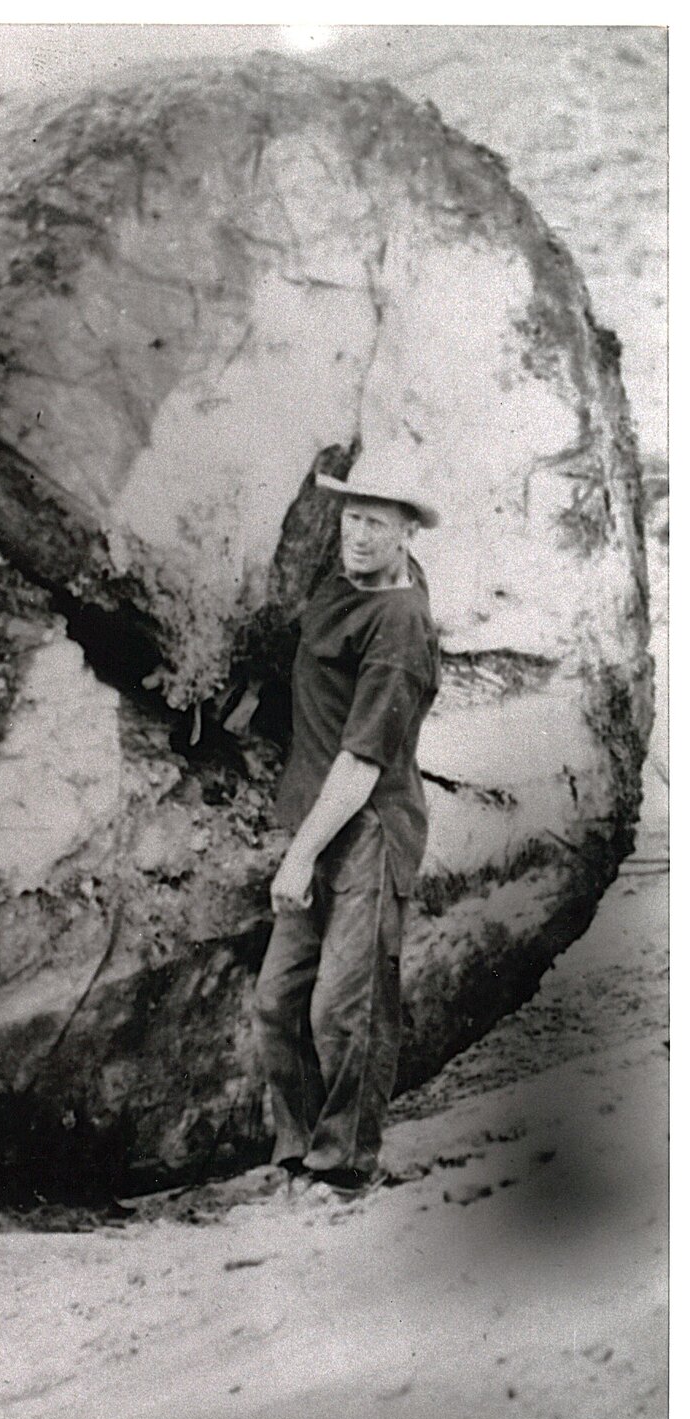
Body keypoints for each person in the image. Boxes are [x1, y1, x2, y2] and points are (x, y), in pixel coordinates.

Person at [252, 460, 441, 1199]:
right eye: (351, 518)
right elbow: (306, 669)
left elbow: (362, 762)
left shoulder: (402, 625)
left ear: (406, 532)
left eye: (376, 523)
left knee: (344, 1007)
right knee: (277, 1000)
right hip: (317, 814)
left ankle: (346, 1167)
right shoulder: (341, 583)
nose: (357, 535)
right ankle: (299, 1157)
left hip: (367, 829)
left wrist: (300, 857)